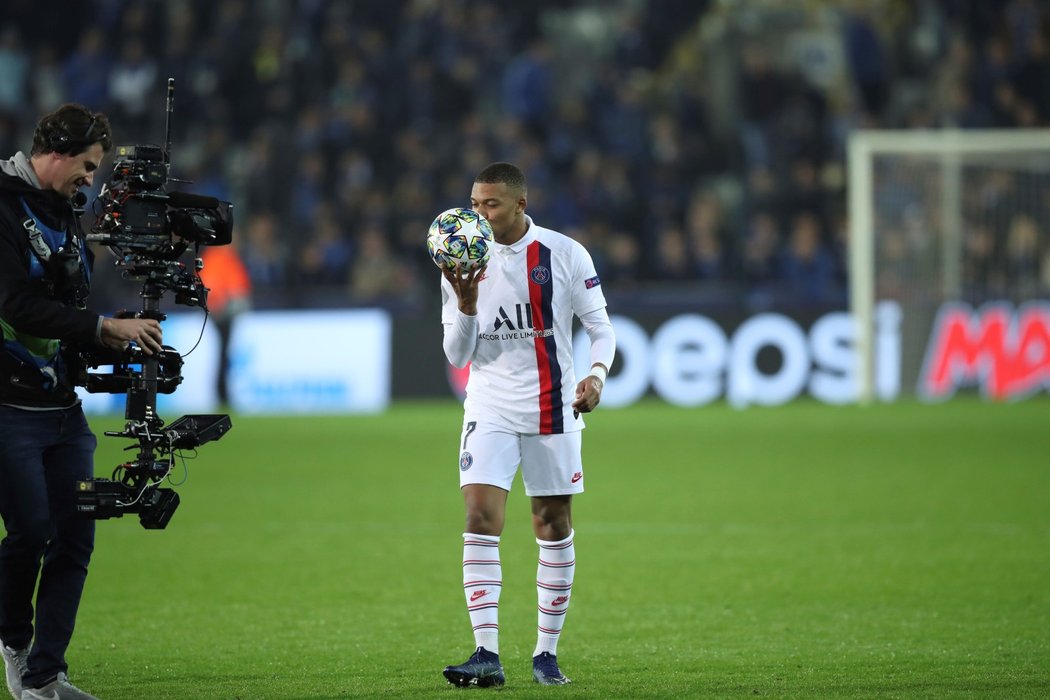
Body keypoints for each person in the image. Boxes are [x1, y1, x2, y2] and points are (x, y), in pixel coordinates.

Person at [0, 104, 164, 700]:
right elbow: (14, 305)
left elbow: (64, 310)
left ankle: (45, 676)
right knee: (30, 532)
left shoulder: (65, 215)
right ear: (60, 149)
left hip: (61, 410)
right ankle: (15, 642)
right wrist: (102, 329)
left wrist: (114, 334)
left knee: (75, 537)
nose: (90, 181)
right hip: (7, 407)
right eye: (88, 167)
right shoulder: (2, 205)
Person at [439, 162, 615, 688]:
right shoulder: (458, 257)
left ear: (520, 204)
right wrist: (467, 306)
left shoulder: (564, 254)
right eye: (474, 203)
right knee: (479, 515)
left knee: (552, 525)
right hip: (489, 404)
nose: (479, 214)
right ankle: (486, 653)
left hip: (552, 406)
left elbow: (599, 328)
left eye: (489, 204)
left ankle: (546, 654)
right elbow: (455, 353)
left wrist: (597, 375)